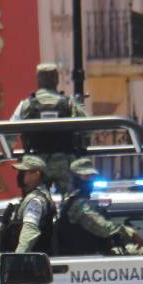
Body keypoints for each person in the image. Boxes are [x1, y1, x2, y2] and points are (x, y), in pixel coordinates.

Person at [10, 63, 87, 193]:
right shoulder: (69, 103)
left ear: (38, 80)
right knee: (70, 202)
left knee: (34, 200)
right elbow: (87, 129)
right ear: (57, 80)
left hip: (35, 165)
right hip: (64, 164)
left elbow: (8, 133)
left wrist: (9, 153)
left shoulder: (26, 105)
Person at [56, 158, 143, 255]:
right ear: (74, 178)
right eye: (85, 176)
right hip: (83, 259)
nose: (90, 180)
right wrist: (129, 232)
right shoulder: (79, 203)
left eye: (92, 176)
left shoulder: (73, 200)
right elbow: (101, 226)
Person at [0, 155, 57, 254]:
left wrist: (17, 259)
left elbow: (30, 231)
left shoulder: (35, 200)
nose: (19, 175)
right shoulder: (32, 197)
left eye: (23, 172)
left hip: (29, 262)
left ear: (36, 174)